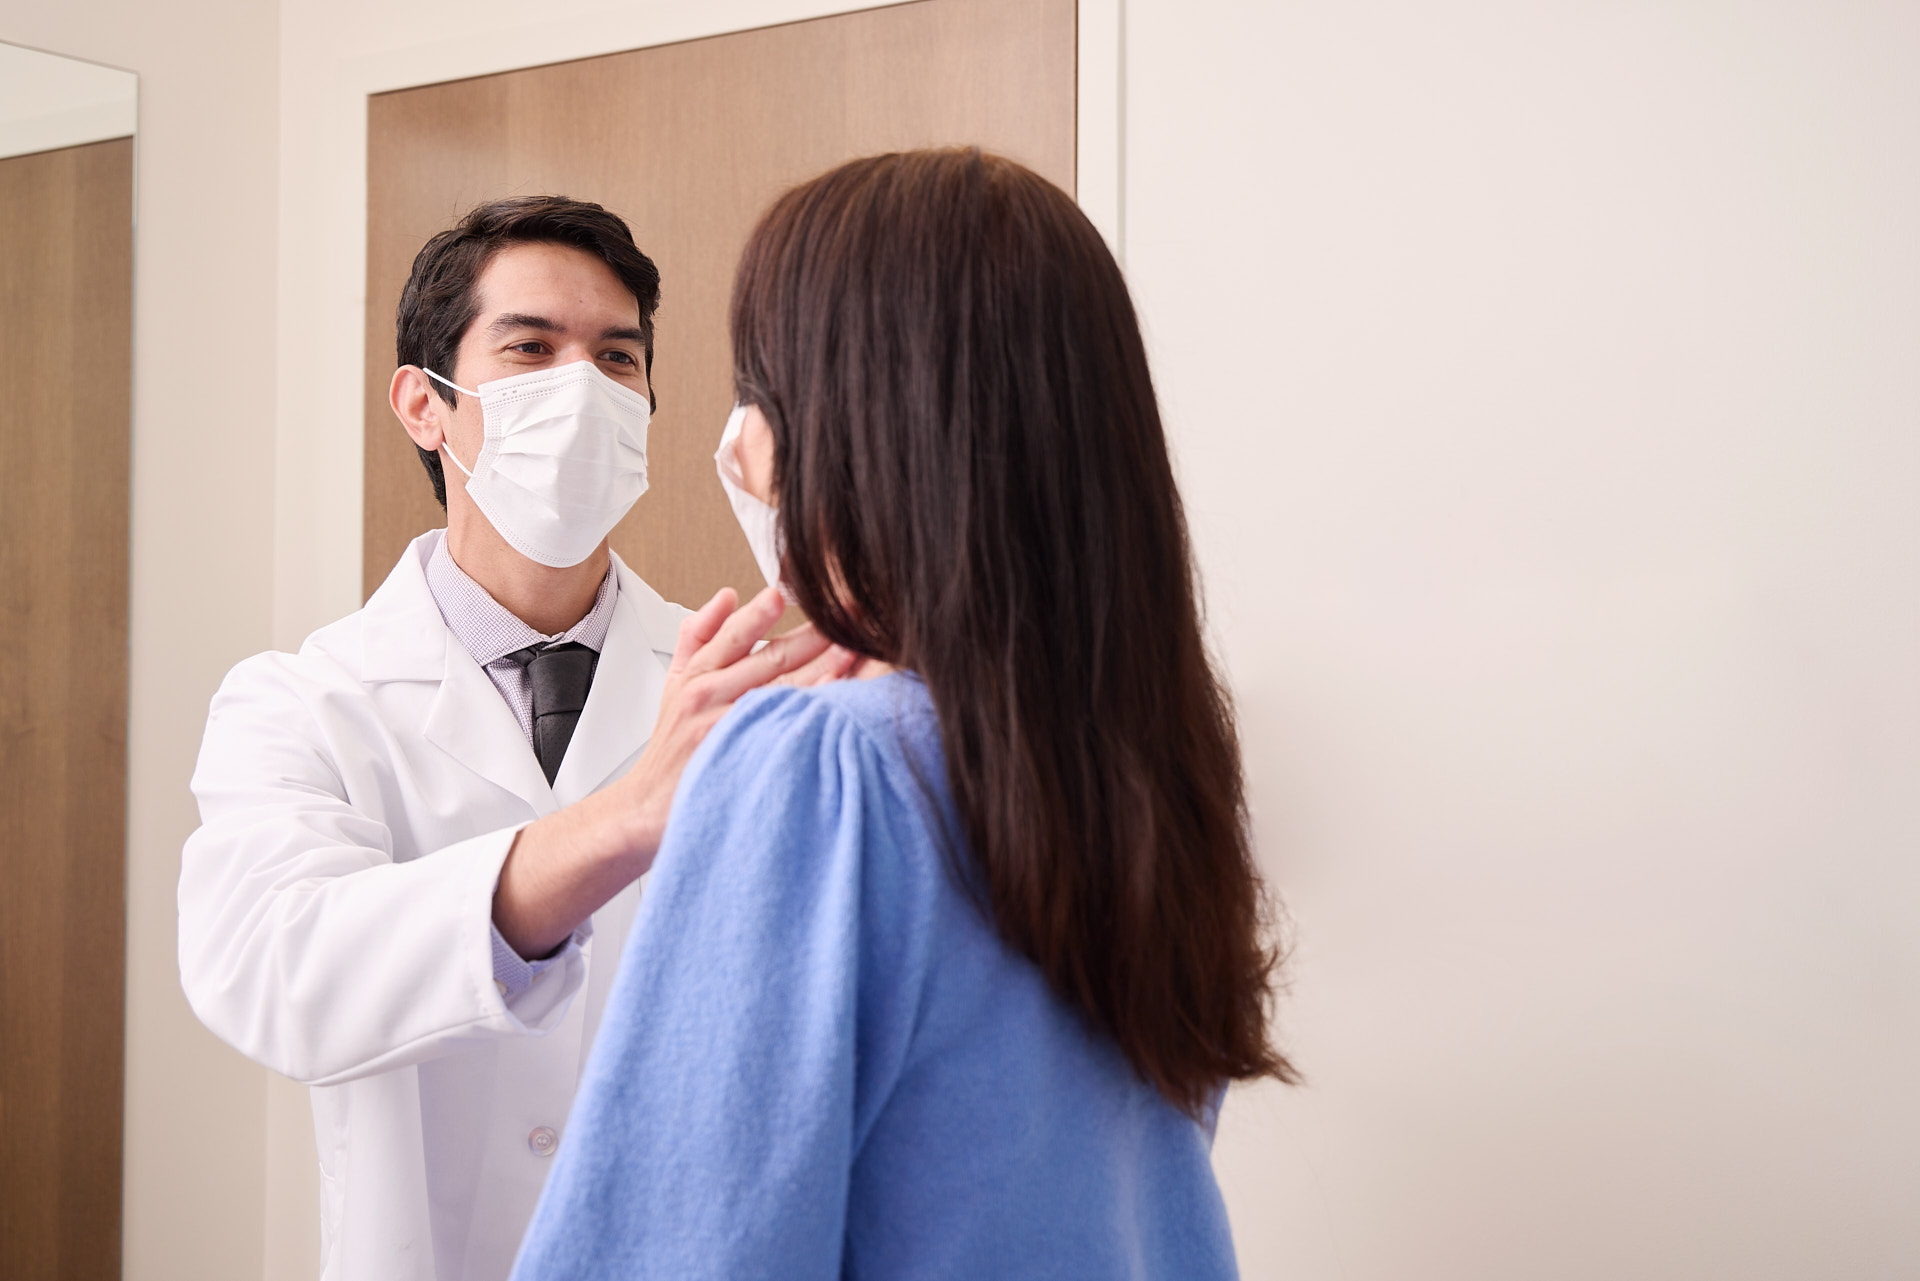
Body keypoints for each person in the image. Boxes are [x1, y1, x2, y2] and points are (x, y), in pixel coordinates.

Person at [510, 150, 1299, 1280]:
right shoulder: (1153, 769)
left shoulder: (823, 768)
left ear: (864, 425)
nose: (743, 446)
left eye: (764, 390)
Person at [176, 195, 855, 1281]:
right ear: (424, 404)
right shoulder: (303, 704)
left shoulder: (739, 685)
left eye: (617, 359)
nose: (579, 387)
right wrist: (623, 822)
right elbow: (270, 971)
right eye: (531, 347)